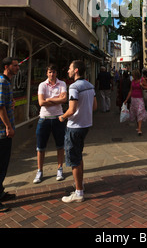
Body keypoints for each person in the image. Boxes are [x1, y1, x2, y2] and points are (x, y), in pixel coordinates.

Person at [59, 60, 97, 203]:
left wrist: (62, 116)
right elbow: (94, 106)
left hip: (74, 127)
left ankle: (79, 192)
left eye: (69, 68)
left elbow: (72, 109)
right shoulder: (90, 85)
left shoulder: (74, 87)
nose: (67, 70)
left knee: (74, 159)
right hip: (86, 125)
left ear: (76, 71)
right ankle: (79, 184)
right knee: (78, 156)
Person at [0, 57, 19, 212]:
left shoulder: (5, 82)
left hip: (2, 131)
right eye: (15, 66)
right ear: (7, 67)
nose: (17, 68)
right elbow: (0, 107)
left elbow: (3, 104)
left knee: (1, 164)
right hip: (1, 132)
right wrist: (8, 127)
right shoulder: (2, 82)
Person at [33, 64, 67, 184]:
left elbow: (64, 99)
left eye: (53, 72)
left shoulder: (62, 84)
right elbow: (41, 102)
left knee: (60, 145)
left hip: (58, 118)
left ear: (56, 73)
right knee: (40, 147)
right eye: (49, 72)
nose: (52, 74)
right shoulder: (42, 85)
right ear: (47, 73)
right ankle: (40, 171)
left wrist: (49, 100)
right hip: (44, 118)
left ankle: (59, 168)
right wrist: (56, 99)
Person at [124, 69, 147, 136]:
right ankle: (138, 126)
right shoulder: (132, 81)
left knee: (140, 112)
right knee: (135, 113)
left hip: (140, 99)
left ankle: (140, 129)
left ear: (136, 75)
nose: (132, 76)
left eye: (133, 75)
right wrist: (126, 100)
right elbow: (130, 91)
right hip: (133, 99)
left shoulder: (142, 80)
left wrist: (142, 86)